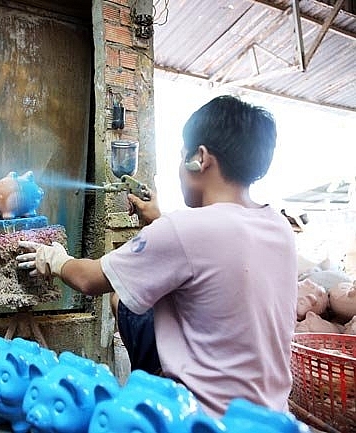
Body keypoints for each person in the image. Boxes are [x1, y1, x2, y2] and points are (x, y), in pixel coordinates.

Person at [16, 95, 297, 418]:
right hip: (270, 417)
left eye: (182, 156)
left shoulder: (184, 229)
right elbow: (215, 246)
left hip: (202, 418)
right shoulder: (278, 225)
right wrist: (159, 220)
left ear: (200, 159)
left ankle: (152, 400)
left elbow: (89, 279)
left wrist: (55, 258)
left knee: (120, 298)